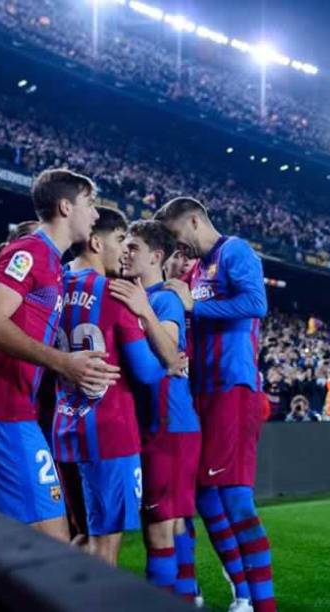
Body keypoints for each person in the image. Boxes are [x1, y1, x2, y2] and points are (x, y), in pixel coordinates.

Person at [0, 168, 119, 540]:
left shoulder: (52, 263)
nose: (94, 215)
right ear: (64, 206)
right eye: (89, 204)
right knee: (51, 544)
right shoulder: (29, 251)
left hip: (5, 407)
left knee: (0, 540)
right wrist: (63, 363)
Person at [157, 197, 275, 612]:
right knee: (205, 497)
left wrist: (194, 304)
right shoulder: (194, 269)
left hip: (233, 384)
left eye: (176, 235)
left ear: (193, 220)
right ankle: (242, 592)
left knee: (236, 498)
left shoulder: (235, 251)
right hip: (201, 390)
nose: (178, 245)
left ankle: (263, 603)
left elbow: (256, 303)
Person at [51, 207, 174, 566]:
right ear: (94, 241)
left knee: (80, 535)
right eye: (120, 239)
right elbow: (148, 373)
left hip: (63, 428)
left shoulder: (55, 285)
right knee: (105, 548)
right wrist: (172, 361)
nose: (124, 250)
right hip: (109, 433)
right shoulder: (115, 294)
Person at [113, 219, 202, 600]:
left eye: (133, 247)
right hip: (171, 423)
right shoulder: (146, 295)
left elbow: (169, 353)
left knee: (158, 526)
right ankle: (188, 595)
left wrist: (142, 310)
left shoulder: (162, 299)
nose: (125, 252)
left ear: (156, 256)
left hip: (166, 422)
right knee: (176, 522)